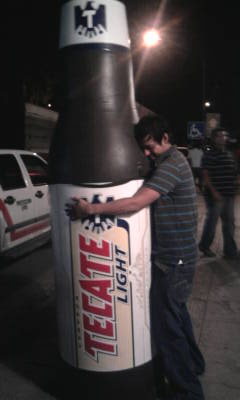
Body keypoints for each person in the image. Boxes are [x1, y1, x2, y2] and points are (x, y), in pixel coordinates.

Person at [65, 115, 205, 400]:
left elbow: (135, 202)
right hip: (181, 259)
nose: (145, 153)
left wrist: (90, 210)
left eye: (149, 146)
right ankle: (195, 365)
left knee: (168, 330)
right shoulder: (170, 162)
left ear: (165, 138)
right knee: (178, 317)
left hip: (174, 262)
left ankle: (186, 392)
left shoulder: (172, 166)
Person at [199, 127, 240, 258]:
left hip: (229, 194)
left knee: (229, 223)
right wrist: (214, 192)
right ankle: (204, 246)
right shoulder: (209, 155)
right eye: (221, 136)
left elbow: (233, 172)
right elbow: (205, 175)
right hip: (215, 195)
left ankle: (230, 251)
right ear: (214, 138)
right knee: (212, 222)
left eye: (225, 135)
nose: (224, 138)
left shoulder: (229, 153)